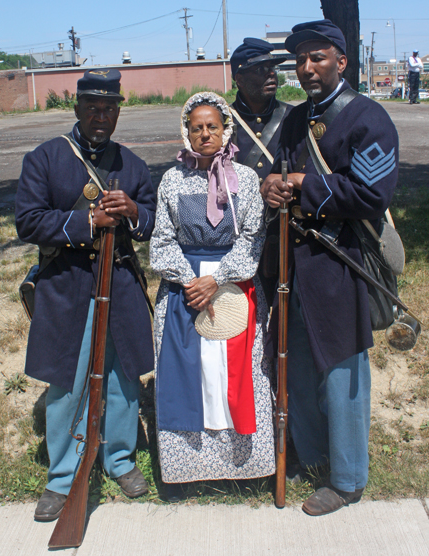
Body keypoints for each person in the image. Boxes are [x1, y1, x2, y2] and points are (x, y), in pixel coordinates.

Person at [261, 20, 399, 515]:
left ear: (341, 61)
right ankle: (313, 453)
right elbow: (279, 172)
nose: (307, 68)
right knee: (296, 364)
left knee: (342, 373)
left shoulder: (368, 118)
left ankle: (346, 478)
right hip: (293, 264)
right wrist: (272, 186)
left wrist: (304, 183)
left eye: (318, 57)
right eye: (300, 60)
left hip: (342, 263)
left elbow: (371, 194)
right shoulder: (296, 120)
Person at [16, 69, 156, 521]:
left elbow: (152, 221)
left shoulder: (132, 165)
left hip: (120, 282)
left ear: (118, 112)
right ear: (76, 109)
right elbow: (28, 221)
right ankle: (63, 475)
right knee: (66, 383)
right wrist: (85, 224)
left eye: (109, 108)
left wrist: (133, 211)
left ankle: (119, 460)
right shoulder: (46, 158)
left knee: (122, 377)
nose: (101, 116)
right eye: (93, 108)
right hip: (66, 284)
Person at [150, 92, 275, 501]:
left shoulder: (245, 178)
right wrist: (190, 281)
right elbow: (162, 240)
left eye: (213, 127)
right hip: (184, 289)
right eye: (197, 127)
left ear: (226, 131)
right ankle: (189, 468)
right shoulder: (172, 180)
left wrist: (218, 278)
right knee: (191, 373)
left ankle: (245, 467)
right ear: (186, 132)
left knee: (235, 374)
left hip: (233, 287)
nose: (205, 134)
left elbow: (254, 235)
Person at [230, 38, 292, 304]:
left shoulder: (294, 119)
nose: (270, 74)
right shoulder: (221, 122)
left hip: (284, 236)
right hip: (235, 238)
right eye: (260, 69)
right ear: (239, 79)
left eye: (272, 68)